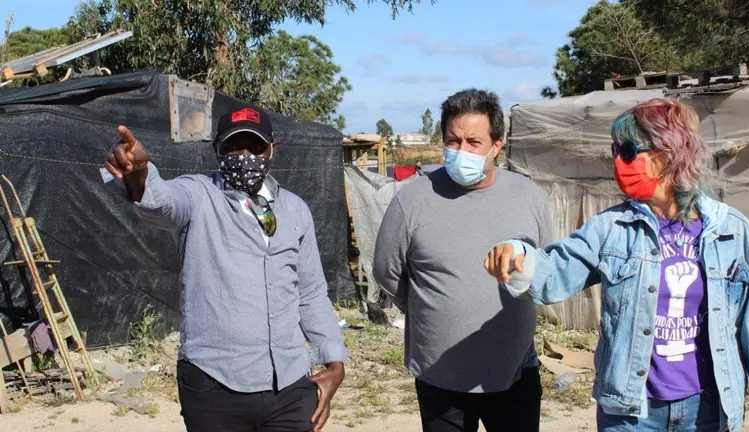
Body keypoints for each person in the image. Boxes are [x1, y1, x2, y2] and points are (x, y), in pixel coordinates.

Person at [484, 99, 749, 432]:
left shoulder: (733, 234)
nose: (618, 160)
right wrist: (519, 256)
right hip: (631, 414)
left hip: (705, 410)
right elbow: (556, 272)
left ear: (669, 153)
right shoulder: (611, 229)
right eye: (615, 150)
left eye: (629, 150)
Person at [104, 105, 346, 432]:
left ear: (272, 149)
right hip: (215, 383)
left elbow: (311, 293)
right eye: (233, 146)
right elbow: (163, 203)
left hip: (289, 384)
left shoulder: (295, 210)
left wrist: (334, 361)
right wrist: (139, 174)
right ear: (217, 150)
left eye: (255, 146)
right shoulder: (199, 194)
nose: (244, 155)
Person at [373, 89, 553, 432]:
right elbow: (387, 271)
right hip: (441, 374)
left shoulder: (527, 195)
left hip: (515, 369)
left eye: (473, 142)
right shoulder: (412, 200)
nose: (461, 151)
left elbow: (546, 264)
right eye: (453, 141)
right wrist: (435, 308)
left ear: (496, 145)